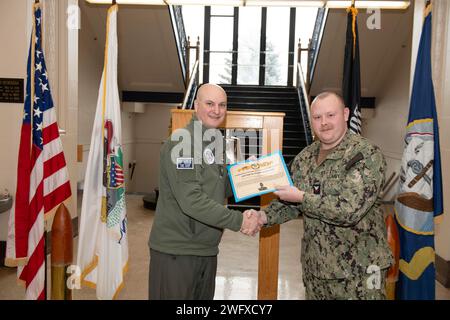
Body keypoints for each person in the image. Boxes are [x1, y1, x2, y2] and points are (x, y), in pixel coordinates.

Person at [260, 91, 393, 300]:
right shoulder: (304, 158)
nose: (324, 123)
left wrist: (302, 198)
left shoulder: (365, 154)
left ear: (346, 114)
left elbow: (350, 210)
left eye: (331, 115)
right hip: (316, 270)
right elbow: (291, 201)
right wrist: (262, 217)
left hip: (359, 273)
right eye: (317, 117)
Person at [148, 83, 263, 300]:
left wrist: (247, 174)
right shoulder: (182, 143)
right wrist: (239, 221)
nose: (216, 110)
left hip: (206, 249)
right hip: (178, 252)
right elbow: (191, 200)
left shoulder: (214, 142)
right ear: (196, 105)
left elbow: (220, 188)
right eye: (209, 103)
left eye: (222, 105)